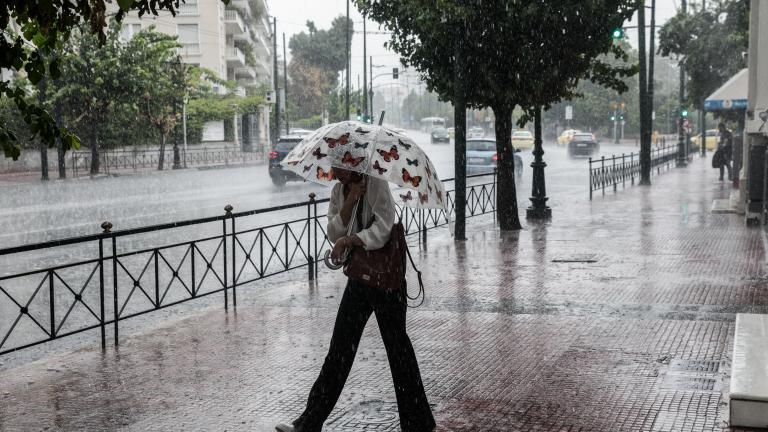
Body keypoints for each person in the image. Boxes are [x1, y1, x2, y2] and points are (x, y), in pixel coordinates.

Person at [275, 168, 435, 432]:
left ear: (354, 162)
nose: (334, 170)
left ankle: (418, 423)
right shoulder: (339, 190)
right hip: (360, 279)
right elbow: (333, 231)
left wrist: (351, 239)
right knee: (339, 351)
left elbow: (383, 227)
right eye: (333, 164)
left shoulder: (376, 183)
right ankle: (309, 422)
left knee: (398, 351)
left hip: (386, 282)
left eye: (340, 165)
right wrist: (349, 202)